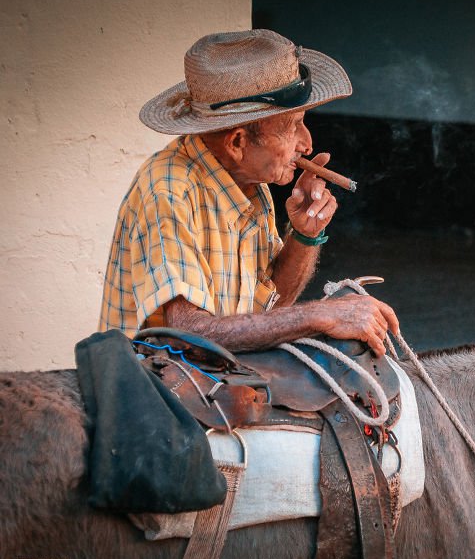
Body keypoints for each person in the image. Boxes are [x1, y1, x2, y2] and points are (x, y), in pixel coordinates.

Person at [99, 29, 398, 356]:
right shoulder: (169, 189)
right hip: (157, 389)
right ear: (238, 143)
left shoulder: (251, 187)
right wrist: (320, 314)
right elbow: (187, 335)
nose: (307, 143)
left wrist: (304, 237)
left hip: (222, 384)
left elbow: (266, 316)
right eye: (292, 125)